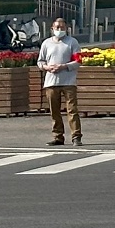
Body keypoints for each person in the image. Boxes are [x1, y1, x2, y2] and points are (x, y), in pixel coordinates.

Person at [38, 17, 82, 147]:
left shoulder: (72, 42)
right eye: (57, 27)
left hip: (68, 82)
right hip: (51, 82)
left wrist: (63, 66)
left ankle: (76, 136)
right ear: (52, 28)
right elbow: (40, 61)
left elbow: (78, 61)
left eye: (62, 27)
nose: (59, 29)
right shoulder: (46, 43)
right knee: (54, 111)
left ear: (66, 29)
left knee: (72, 110)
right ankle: (58, 136)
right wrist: (47, 67)